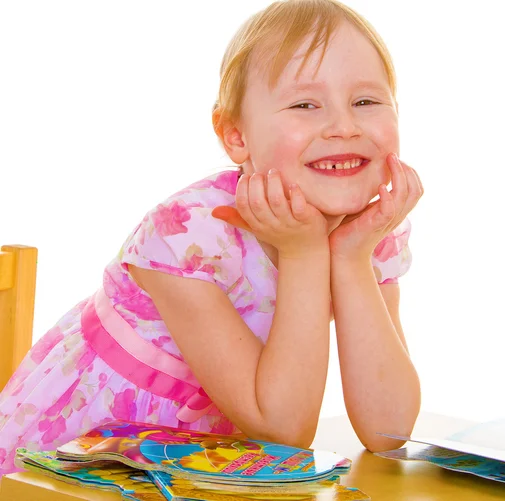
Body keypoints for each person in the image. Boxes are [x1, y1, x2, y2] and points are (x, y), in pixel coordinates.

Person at [0, 0, 423, 476]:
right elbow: (283, 429)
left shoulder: (369, 231)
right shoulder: (187, 235)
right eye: (306, 104)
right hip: (84, 457)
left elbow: (389, 430)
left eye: (366, 101)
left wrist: (351, 258)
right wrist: (303, 253)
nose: (345, 127)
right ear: (236, 135)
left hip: (212, 463)